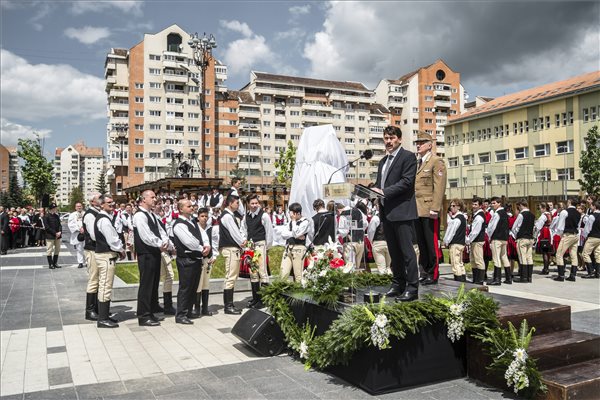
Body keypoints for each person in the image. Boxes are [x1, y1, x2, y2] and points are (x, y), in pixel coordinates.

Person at [372, 125, 419, 302]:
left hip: (403, 212)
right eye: (386, 138)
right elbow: (379, 184)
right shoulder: (383, 161)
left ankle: (412, 288)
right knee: (394, 253)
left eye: (392, 138)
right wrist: (374, 194)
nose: (388, 142)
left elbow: (407, 182)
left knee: (407, 252)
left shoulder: (408, 157)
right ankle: (397, 283)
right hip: (387, 212)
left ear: (399, 139)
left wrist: (384, 192)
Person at [413, 131, 446, 286]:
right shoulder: (418, 162)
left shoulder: (436, 161)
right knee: (422, 244)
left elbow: (439, 186)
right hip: (418, 209)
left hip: (429, 209)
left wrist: (435, 208)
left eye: (421, 142)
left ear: (429, 144)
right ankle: (425, 271)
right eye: (417, 142)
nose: (418, 145)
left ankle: (433, 273)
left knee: (431, 243)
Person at [172, 199, 211, 324]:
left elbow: (202, 235)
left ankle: (188, 311)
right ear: (181, 209)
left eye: (192, 206)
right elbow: (189, 241)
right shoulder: (179, 224)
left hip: (195, 259)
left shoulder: (192, 222)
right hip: (186, 259)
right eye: (188, 206)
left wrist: (207, 245)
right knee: (185, 287)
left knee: (193, 287)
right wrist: (201, 248)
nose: (192, 208)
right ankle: (181, 314)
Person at [133, 190, 169, 326]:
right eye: (152, 197)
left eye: (155, 197)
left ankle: (152, 308)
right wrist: (160, 244)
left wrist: (165, 242)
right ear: (143, 199)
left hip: (154, 252)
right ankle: (143, 315)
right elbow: (146, 236)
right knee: (146, 284)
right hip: (146, 253)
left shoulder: (151, 215)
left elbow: (160, 230)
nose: (155, 199)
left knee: (153, 283)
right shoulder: (139, 216)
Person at [94, 195, 126, 328]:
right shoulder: (104, 220)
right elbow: (112, 239)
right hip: (106, 255)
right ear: (101, 205)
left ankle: (105, 315)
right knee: (105, 286)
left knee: (105, 285)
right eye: (108, 203)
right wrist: (121, 250)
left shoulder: (105, 218)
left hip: (106, 255)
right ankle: (102, 318)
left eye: (112, 202)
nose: (112, 204)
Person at [242, 194, 273, 309]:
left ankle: (264, 299)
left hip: (261, 245)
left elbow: (269, 232)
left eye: (256, 203)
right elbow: (244, 230)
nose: (255, 205)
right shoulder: (246, 217)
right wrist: (246, 245)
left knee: (262, 272)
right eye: (252, 203)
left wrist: (267, 246)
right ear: (248, 204)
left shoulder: (264, 215)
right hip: (250, 246)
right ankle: (256, 299)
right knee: (253, 273)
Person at [219, 195, 246, 314]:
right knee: (230, 276)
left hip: (232, 248)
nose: (238, 205)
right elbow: (234, 232)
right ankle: (228, 305)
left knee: (232, 276)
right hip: (230, 248)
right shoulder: (227, 217)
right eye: (237, 203)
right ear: (230, 203)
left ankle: (229, 304)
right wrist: (242, 243)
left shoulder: (229, 216)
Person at [191, 207, 219, 317]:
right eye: (202, 216)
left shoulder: (211, 229)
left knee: (206, 283)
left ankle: (205, 308)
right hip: (199, 258)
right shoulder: (195, 228)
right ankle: (196, 308)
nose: (204, 218)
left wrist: (215, 255)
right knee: (198, 283)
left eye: (206, 216)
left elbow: (215, 242)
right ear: (198, 217)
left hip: (208, 258)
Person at [280, 202, 311, 283]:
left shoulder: (305, 222)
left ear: (297, 213)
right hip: (288, 248)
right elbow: (283, 234)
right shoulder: (290, 222)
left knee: (298, 275)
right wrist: (293, 235)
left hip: (299, 248)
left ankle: (299, 293)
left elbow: (297, 233)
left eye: (291, 213)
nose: (290, 215)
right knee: (283, 273)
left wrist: (294, 222)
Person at [554, 197, 582, 282]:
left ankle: (561, 275)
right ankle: (573, 275)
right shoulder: (578, 213)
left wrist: (559, 235)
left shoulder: (564, 212)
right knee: (573, 255)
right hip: (575, 235)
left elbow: (560, 226)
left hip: (567, 234)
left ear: (569, 202)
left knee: (559, 254)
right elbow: (578, 226)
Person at [83, 193, 101, 321]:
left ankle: (98, 308)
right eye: (99, 198)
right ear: (93, 202)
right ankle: (90, 310)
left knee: (99, 280)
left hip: (98, 250)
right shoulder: (90, 215)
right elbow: (94, 235)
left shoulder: (98, 213)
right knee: (94, 279)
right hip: (92, 249)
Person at [486, 197, 511, 285]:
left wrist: (489, 236)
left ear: (499, 203)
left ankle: (497, 279)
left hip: (497, 238)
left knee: (496, 258)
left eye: (494, 203)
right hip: (504, 238)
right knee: (504, 257)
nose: (492, 205)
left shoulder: (497, 214)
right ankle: (508, 278)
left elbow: (492, 227)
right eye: (492, 203)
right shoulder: (505, 213)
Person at [337, 202, 366, 270]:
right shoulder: (359, 211)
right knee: (357, 268)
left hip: (349, 243)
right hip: (360, 241)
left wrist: (338, 234)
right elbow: (365, 224)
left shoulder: (343, 214)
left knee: (350, 268)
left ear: (338, 210)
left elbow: (343, 231)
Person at [443, 199, 467, 281]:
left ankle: (459, 282)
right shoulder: (462, 217)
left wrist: (446, 241)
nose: (451, 207)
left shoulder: (457, 219)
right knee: (460, 263)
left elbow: (452, 232)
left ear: (459, 207)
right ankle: (463, 280)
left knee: (455, 263)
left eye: (454, 206)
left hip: (455, 243)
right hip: (461, 243)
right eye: (451, 205)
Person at [512, 200, 535, 283]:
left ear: (521, 205)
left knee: (522, 257)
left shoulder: (521, 215)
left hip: (522, 238)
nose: (519, 208)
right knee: (529, 257)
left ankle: (524, 277)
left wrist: (516, 235)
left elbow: (515, 227)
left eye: (519, 206)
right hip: (530, 237)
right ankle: (529, 277)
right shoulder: (532, 215)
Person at [466, 197, 486, 284]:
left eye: (476, 204)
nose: (473, 206)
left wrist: (468, 240)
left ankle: (480, 280)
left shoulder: (479, 217)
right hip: (474, 241)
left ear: (480, 206)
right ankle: (476, 279)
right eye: (473, 204)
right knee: (473, 260)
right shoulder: (476, 215)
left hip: (477, 241)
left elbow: (475, 232)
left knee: (478, 260)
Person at [367, 201, 391, 275]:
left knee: (381, 269)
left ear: (377, 205)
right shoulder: (390, 216)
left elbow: (371, 231)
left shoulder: (375, 217)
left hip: (378, 242)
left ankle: (385, 285)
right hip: (390, 242)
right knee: (388, 267)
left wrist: (372, 242)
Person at [582, 200, 600, 279]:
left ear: (594, 207)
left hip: (593, 237)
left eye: (591, 206)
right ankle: (598, 273)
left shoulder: (592, 216)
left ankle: (591, 272)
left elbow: (587, 228)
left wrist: (585, 236)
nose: (590, 207)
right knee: (598, 255)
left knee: (585, 254)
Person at [534, 202, 553, 275]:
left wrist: (535, 231)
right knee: (547, 251)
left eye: (541, 208)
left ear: (544, 208)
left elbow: (538, 226)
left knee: (545, 250)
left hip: (544, 231)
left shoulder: (543, 215)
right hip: (549, 231)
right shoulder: (549, 214)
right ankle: (546, 267)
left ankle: (546, 269)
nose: (540, 210)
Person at [43, 203, 62, 269]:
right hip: (50, 235)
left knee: (57, 249)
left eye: (55, 208)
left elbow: (60, 225)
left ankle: (55, 263)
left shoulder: (56, 216)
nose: (55, 209)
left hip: (58, 235)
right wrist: (55, 233)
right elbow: (47, 227)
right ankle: (50, 264)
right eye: (54, 208)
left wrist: (60, 232)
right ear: (51, 209)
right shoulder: (46, 216)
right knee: (49, 250)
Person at [68, 202, 86, 269]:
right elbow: (70, 224)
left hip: (85, 233)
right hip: (77, 233)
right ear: (75, 207)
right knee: (79, 249)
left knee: (86, 248)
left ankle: (87, 262)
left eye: (80, 206)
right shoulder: (72, 215)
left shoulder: (86, 214)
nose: (79, 207)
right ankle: (80, 262)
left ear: (82, 206)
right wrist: (79, 229)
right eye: (77, 206)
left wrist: (84, 228)